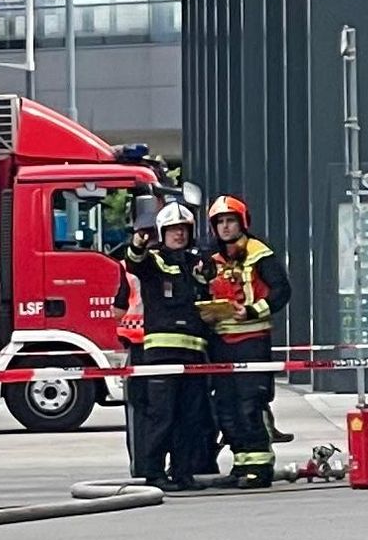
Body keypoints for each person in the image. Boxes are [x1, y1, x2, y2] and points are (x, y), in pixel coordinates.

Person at [199, 194, 294, 487]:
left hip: (252, 339)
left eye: (230, 221)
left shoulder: (260, 253)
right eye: (220, 223)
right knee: (225, 406)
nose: (226, 228)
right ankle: (242, 464)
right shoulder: (208, 259)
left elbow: (281, 292)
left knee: (250, 404)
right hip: (221, 342)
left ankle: (261, 467)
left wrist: (252, 310)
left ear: (242, 223)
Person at [119, 200, 215, 490]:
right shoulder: (154, 261)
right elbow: (135, 261)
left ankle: (182, 472)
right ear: (163, 232)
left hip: (194, 352)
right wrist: (137, 242)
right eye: (173, 230)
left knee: (190, 416)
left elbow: (210, 282)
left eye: (183, 229)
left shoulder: (195, 263)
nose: (179, 235)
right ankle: (154, 473)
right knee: (161, 416)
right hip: (161, 354)